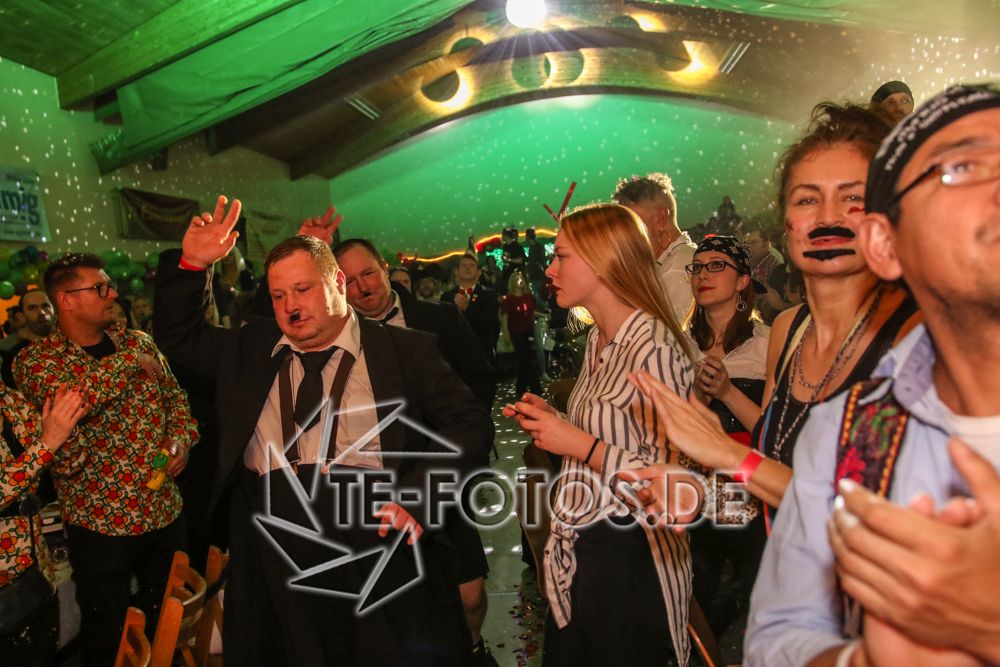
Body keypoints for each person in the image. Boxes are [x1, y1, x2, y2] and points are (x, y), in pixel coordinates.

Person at [154, 198, 491, 666]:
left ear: (338, 284)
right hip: (273, 550)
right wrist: (192, 266)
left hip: (375, 537)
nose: (290, 306)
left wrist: (421, 493)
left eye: (302, 290)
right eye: (278, 296)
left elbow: (469, 423)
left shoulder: (404, 350)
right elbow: (178, 337)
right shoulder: (251, 349)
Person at [745, 82, 1000, 667]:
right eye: (962, 170)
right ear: (889, 242)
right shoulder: (851, 424)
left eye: (852, 198)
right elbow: (780, 635)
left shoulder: (902, 343)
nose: (828, 217)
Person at [629, 103, 922, 516]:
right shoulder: (789, 329)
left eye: (852, 197)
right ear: (786, 222)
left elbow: (875, 517)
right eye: (807, 199)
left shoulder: (918, 336)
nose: (827, 216)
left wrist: (727, 450)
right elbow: (775, 460)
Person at [504, 203, 697, 665]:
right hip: (590, 545)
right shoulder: (599, 340)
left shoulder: (653, 349)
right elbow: (618, 432)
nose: (550, 270)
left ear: (604, 261)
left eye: (562, 257)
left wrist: (575, 442)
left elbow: (674, 488)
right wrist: (558, 421)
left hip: (634, 561)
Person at [14, 253, 198, 666]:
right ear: (66, 300)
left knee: (169, 625)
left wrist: (180, 440)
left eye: (110, 285)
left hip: (164, 511)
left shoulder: (138, 341)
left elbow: (177, 401)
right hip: (100, 525)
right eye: (99, 288)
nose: (112, 294)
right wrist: (127, 364)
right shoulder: (36, 362)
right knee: (108, 635)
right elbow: (75, 400)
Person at [332, 237, 497, 663]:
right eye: (350, 281)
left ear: (385, 269)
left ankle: (473, 648)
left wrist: (458, 444)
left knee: (469, 591)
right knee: (406, 598)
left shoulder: (439, 318)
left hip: (443, 472)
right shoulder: (338, 337)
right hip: (382, 487)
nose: (363, 287)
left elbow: (479, 381)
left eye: (368, 273)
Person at [682, 235, 770, 639]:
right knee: (697, 590)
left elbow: (773, 430)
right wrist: (700, 397)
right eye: (697, 267)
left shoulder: (767, 344)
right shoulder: (679, 344)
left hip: (750, 480)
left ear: (742, 281)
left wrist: (728, 392)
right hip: (694, 480)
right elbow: (672, 426)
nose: (703, 274)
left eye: (717, 265)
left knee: (754, 588)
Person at [0, 384, 87, 666]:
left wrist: (66, 425)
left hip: (36, 576)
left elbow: (71, 465)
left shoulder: (11, 400)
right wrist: (46, 444)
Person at [611, 172, 697, 324]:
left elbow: (663, 333)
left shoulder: (680, 267)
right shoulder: (661, 264)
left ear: (660, 217)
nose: (624, 233)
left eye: (632, 222)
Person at [441, 252, 500, 370]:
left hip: (481, 355)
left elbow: (490, 326)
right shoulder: (447, 296)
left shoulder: (489, 295)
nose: (467, 268)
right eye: (463, 265)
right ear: (456, 271)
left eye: (472, 266)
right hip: (455, 358)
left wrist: (467, 308)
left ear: (479, 272)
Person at [1, 289, 56, 388]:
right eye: (32, 308)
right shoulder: (14, 358)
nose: (42, 312)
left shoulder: (73, 343)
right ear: (21, 316)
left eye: (45, 306)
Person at [500, 271, 541, 397]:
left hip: (529, 330)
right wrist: (506, 332)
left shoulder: (528, 296)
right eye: (517, 279)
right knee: (524, 359)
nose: (520, 281)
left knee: (528, 359)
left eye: (522, 278)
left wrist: (543, 315)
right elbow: (505, 316)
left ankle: (522, 387)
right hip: (516, 331)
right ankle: (534, 388)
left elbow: (531, 312)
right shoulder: (510, 299)